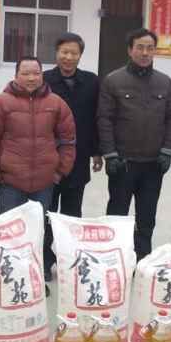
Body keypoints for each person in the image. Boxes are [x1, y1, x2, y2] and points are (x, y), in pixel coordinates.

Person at [98, 28, 171, 261]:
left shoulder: (164, 82)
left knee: (147, 216)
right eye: (140, 48)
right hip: (123, 162)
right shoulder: (113, 80)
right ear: (130, 50)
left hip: (153, 163)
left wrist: (167, 150)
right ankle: (114, 258)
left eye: (150, 48)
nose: (145, 53)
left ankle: (143, 258)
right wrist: (110, 154)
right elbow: (104, 119)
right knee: (117, 215)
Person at [0, 56, 76, 214]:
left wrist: (60, 171)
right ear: (16, 75)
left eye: (36, 73)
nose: (31, 78)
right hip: (9, 182)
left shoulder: (56, 103)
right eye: (25, 74)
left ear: (42, 75)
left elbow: (68, 140)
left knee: (37, 226)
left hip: (45, 182)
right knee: (11, 226)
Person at [42, 33, 101, 282]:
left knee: (72, 214)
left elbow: (97, 118)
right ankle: (45, 261)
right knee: (46, 213)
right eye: (64, 52)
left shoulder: (92, 81)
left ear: (80, 55)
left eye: (73, 53)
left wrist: (97, 151)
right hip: (48, 157)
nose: (68, 57)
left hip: (79, 157)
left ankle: (69, 262)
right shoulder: (44, 80)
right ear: (56, 53)